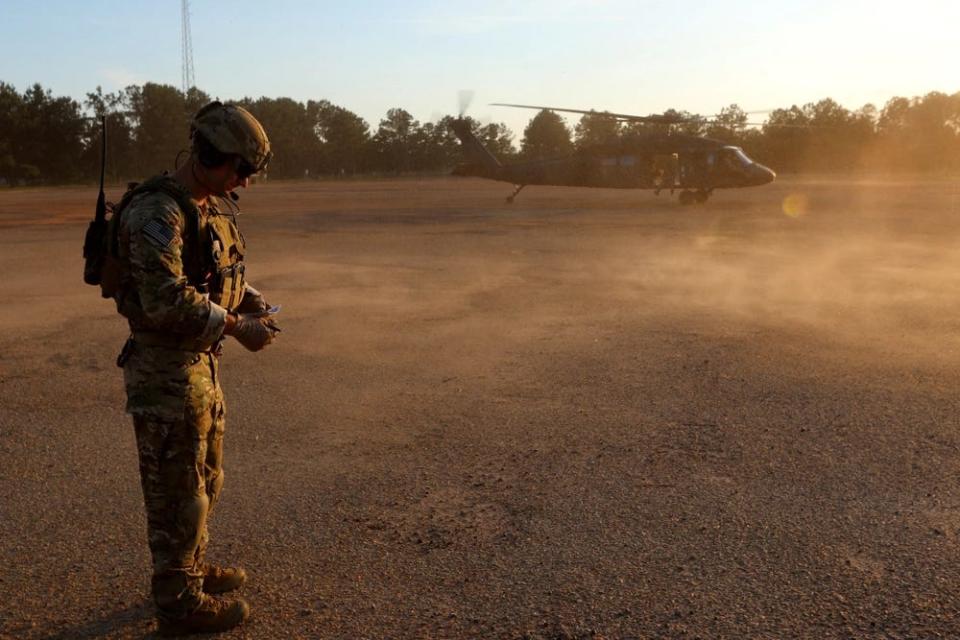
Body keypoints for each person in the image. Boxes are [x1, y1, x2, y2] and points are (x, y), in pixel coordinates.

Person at [111, 101, 278, 635]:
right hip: (165, 372)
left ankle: (191, 570)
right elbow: (164, 299)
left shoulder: (203, 204)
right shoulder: (157, 211)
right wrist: (236, 325)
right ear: (210, 154)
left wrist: (248, 299)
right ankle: (178, 602)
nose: (245, 184)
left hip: (198, 367)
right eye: (241, 170)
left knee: (204, 479)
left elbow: (208, 272)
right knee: (175, 487)